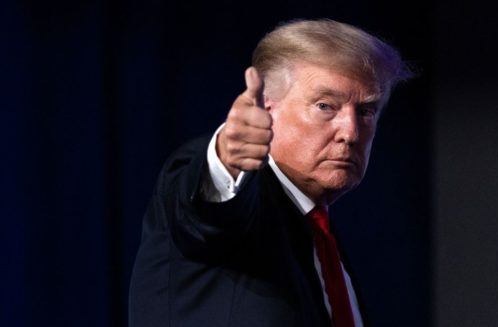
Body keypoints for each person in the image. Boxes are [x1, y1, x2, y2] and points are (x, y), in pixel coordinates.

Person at [129, 18, 410, 327]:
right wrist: (227, 157)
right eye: (325, 106)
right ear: (266, 108)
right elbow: (206, 210)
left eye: (366, 111)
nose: (351, 132)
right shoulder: (238, 204)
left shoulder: (321, 238)